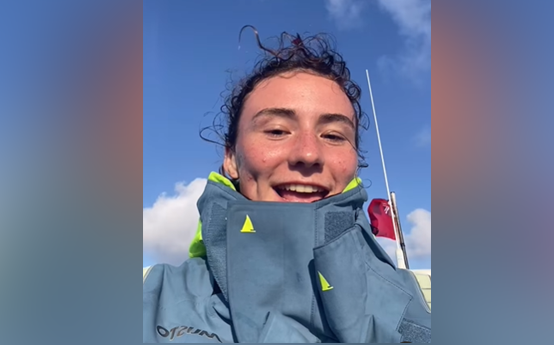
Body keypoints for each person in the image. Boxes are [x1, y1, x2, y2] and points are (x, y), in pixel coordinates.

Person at [143, 27, 431, 343]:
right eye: (277, 130)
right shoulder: (148, 298)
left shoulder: (424, 303)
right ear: (231, 159)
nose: (308, 153)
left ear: (354, 161)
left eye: (334, 135)